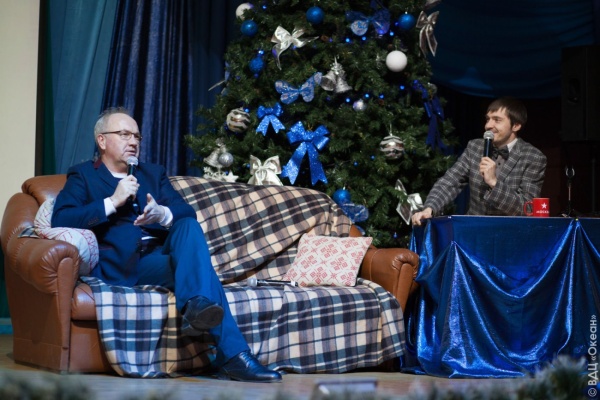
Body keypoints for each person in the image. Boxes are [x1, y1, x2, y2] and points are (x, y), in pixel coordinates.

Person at [51, 107, 281, 383]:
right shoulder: (83, 175)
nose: (133, 141)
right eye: (124, 134)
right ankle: (234, 355)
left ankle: (197, 307)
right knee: (204, 275)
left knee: (187, 225)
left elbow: (186, 211)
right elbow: (61, 218)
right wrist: (112, 201)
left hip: (161, 255)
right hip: (126, 264)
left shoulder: (152, 173)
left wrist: (163, 214)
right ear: (102, 140)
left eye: (136, 136)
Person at [411, 97, 547, 226]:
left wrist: (494, 183)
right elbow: (450, 182)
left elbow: (527, 209)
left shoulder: (533, 157)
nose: (488, 125)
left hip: (509, 232)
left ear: (516, 126)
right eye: (488, 119)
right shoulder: (475, 147)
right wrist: (429, 208)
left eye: (497, 120)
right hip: (473, 230)